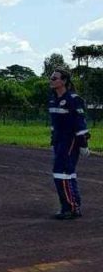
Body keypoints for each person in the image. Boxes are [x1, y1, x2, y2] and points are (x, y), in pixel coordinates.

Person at [48, 68, 90, 219]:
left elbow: (80, 123)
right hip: (59, 141)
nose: (51, 80)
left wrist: (83, 144)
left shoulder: (73, 99)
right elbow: (54, 124)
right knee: (68, 173)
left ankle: (70, 208)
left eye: (55, 78)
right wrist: (53, 140)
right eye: (51, 78)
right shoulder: (53, 99)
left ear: (64, 81)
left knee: (61, 172)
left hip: (70, 141)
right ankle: (74, 205)